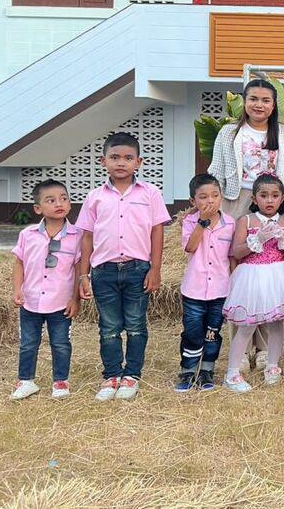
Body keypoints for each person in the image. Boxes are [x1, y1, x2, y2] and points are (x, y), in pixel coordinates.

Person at [209, 78, 284, 372]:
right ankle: (241, 347)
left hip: (273, 203)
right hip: (236, 202)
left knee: (268, 274)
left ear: (274, 105)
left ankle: (263, 349)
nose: (259, 105)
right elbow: (216, 172)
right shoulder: (228, 133)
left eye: (265, 100)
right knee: (240, 274)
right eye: (253, 99)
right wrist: (211, 209)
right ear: (244, 101)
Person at [77, 132, 171, 402]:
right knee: (109, 327)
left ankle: (131, 375)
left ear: (138, 162)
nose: (121, 163)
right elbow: (87, 237)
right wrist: (84, 275)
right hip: (103, 271)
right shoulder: (95, 197)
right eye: (115, 157)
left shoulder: (150, 193)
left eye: (128, 158)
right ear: (103, 161)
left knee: (136, 325)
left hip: (137, 269)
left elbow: (157, 231)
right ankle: (111, 375)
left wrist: (155, 269)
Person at [223, 173, 284, 393]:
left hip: (277, 277)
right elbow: (237, 251)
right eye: (264, 196)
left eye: (275, 196)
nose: (269, 200)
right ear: (254, 199)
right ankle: (232, 373)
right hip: (253, 277)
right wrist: (258, 239)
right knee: (247, 325)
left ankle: (273, 366)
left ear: (282, 198)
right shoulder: (246, 221)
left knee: (276, 324)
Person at [10, 180, 81, 401]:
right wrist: (17, 289)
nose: (59, 204)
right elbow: (19, 263)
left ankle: (60, 382)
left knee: (60, 344)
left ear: (70, 204)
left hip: (60, 303)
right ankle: (26, 381)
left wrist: (75, 299)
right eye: (51, 200)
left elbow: (79, 269)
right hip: (31, 301)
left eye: (63, 198)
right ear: (38, 208)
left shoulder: (77, 236)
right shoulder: (28, 234)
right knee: (28, 343)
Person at [176, 174, 235, 393]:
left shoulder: (230, 223)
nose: (210, 200)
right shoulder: (190, 222)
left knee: (213, 333)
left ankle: (207, 370)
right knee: (192, 333)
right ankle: (188, 370)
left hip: (220, 290)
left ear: (221, 197)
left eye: (215, 195)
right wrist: (202, 222)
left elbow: (231, 257)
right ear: (193, 201)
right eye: (203, 197)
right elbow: (190, 248)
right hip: (194, 290)